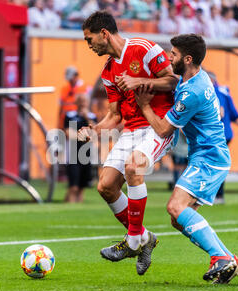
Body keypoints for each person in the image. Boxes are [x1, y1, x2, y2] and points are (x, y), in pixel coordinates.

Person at [134, 34, 238, 284]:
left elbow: (163, 129)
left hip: (209, 157)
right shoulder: (195, 77)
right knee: (178, 220)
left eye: (172, 54)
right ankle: (229, 260)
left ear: (187, 58)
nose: (168, 57)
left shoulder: (193, 91)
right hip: (207, 155)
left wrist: (144, 106)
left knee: (175, 207)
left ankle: (219, 256)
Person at [78, 10, 179, 276]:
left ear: (104, 34)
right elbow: (114, 115)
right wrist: (94, 130)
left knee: (134, 167)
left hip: (159, 126)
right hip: (133, 130)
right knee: (106, 186)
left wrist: (140, 80)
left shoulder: (143, 49)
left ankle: (133, 240)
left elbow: (172, 79)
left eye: (89, 40)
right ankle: (145, 239)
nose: (89, 45)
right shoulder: (109, 71)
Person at [208, 71, 238, 204]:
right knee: (219, 163)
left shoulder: (210, 92)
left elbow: (218, 113)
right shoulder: (225, 92)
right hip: (226, 133)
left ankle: (216, 194)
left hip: (215, 134)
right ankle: (218, 194)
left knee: (212, 164)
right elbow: (234, 115)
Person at [64, 93, 97, 203]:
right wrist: (84, 137)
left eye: (84, 101)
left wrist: (86, 117)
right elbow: (68, 132)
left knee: (82, 187)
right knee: (73, 186)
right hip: (73, 154)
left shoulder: (92, 117)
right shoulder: (70, 115)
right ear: (76, 102)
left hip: (87, 154)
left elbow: (94, 132)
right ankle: (68, 205)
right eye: (80, 100)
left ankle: (77, 208)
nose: (83, 103)